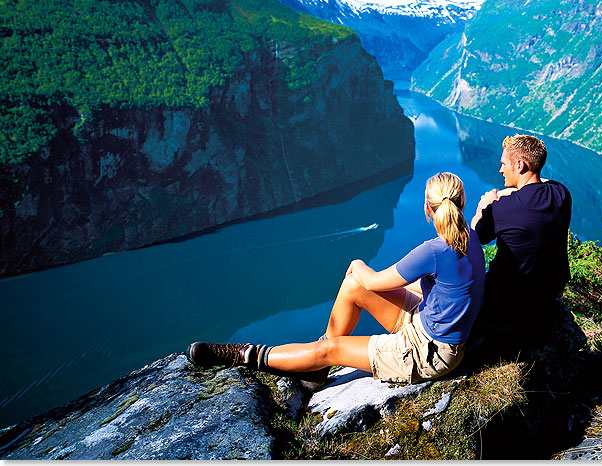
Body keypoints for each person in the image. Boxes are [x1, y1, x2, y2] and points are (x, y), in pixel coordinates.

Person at [187, 172, 485, 389]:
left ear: (427, 208)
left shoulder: (433, 250)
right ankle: (317, 369)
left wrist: (356, 263)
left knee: (336, 334)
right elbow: (448, 287)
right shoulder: (471, 237)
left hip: (428, 353)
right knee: (353, 286)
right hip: (427, 324)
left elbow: (375, 282)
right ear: (461, 202)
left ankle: (243, 354)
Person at [470, 134, 572, 350]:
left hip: (507, 301)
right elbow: (541, 184)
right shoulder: (561, 194)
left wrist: (484, 205)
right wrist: (512, 191)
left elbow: (475, 236)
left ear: (520, 165)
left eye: (503, 163)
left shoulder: (501, 210)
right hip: (549, 293)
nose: (500, 170)